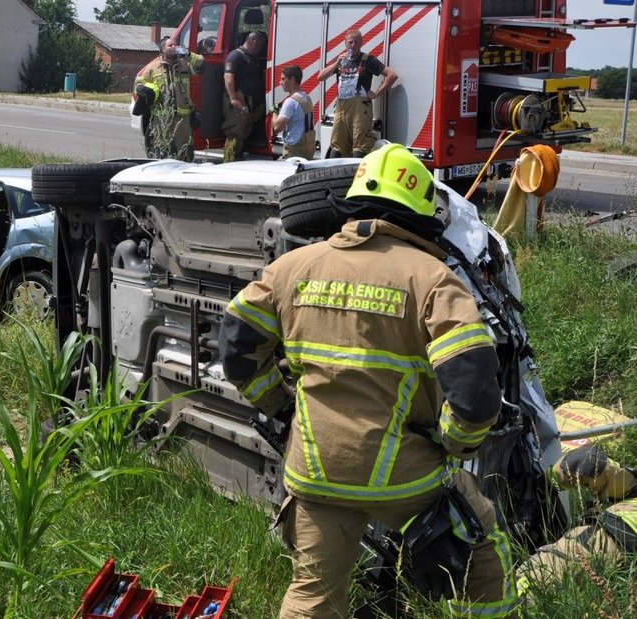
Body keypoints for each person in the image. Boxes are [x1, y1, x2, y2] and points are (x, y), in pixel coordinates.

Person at [218, 143, 519, 618]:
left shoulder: (290, 269)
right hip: (406, 480)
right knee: (484, 554)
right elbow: (475, 389)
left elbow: (235, 348)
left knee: (311, 594)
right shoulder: (434, 280)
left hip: (316, 471)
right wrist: (455, 445)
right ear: (421, 211)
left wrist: (280, 405)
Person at [518, 444, 637, 592]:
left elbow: (588, 461)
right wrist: (544, 485)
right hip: (604, 534)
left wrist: (543, 485)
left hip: (612, 538)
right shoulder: (629, 483)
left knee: (526, 588)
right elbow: (588, 462)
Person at [317, 28, 398, 158]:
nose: (353, 45)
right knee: (337, 145)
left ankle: (358, 175)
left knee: (360, 145)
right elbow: (320, 77)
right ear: (345, 43)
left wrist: (376, 94)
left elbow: (392, 75)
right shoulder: (341, 61)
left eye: (356, 42)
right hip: (341, 108)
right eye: (350, 42)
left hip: (360, 110)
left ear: (361, 43)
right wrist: (337, 63)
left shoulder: (368, 59)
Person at [133, 36, 204, 162]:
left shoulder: (185, 64)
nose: (173, 47)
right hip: (161, 119)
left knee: (184, 152)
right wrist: (144, 90)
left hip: (182, 119)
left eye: (175, 45)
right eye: (169, 45)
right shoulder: (152, 67)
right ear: (162, 49)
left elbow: (201, 65)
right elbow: (138, 84)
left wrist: (188, 53)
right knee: (160, 151)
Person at [222, 31, 266, 162]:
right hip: (239, 102)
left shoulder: (251, 58)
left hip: (249, 102)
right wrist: (233, 98)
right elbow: (228, 76)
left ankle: (238, 160)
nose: (261, 48)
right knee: (235, 134)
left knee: (244, 133)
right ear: (254, 42)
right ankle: (228, 165)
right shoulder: (236, 56)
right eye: (261, 45)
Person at [270, 65, 315, 160]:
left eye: (283, 79)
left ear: (292, 80)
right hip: (307, 148)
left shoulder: (290, 102)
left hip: (294, 150)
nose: (280, 82)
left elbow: (277, 128)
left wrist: (274, 112)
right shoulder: (307, 98)